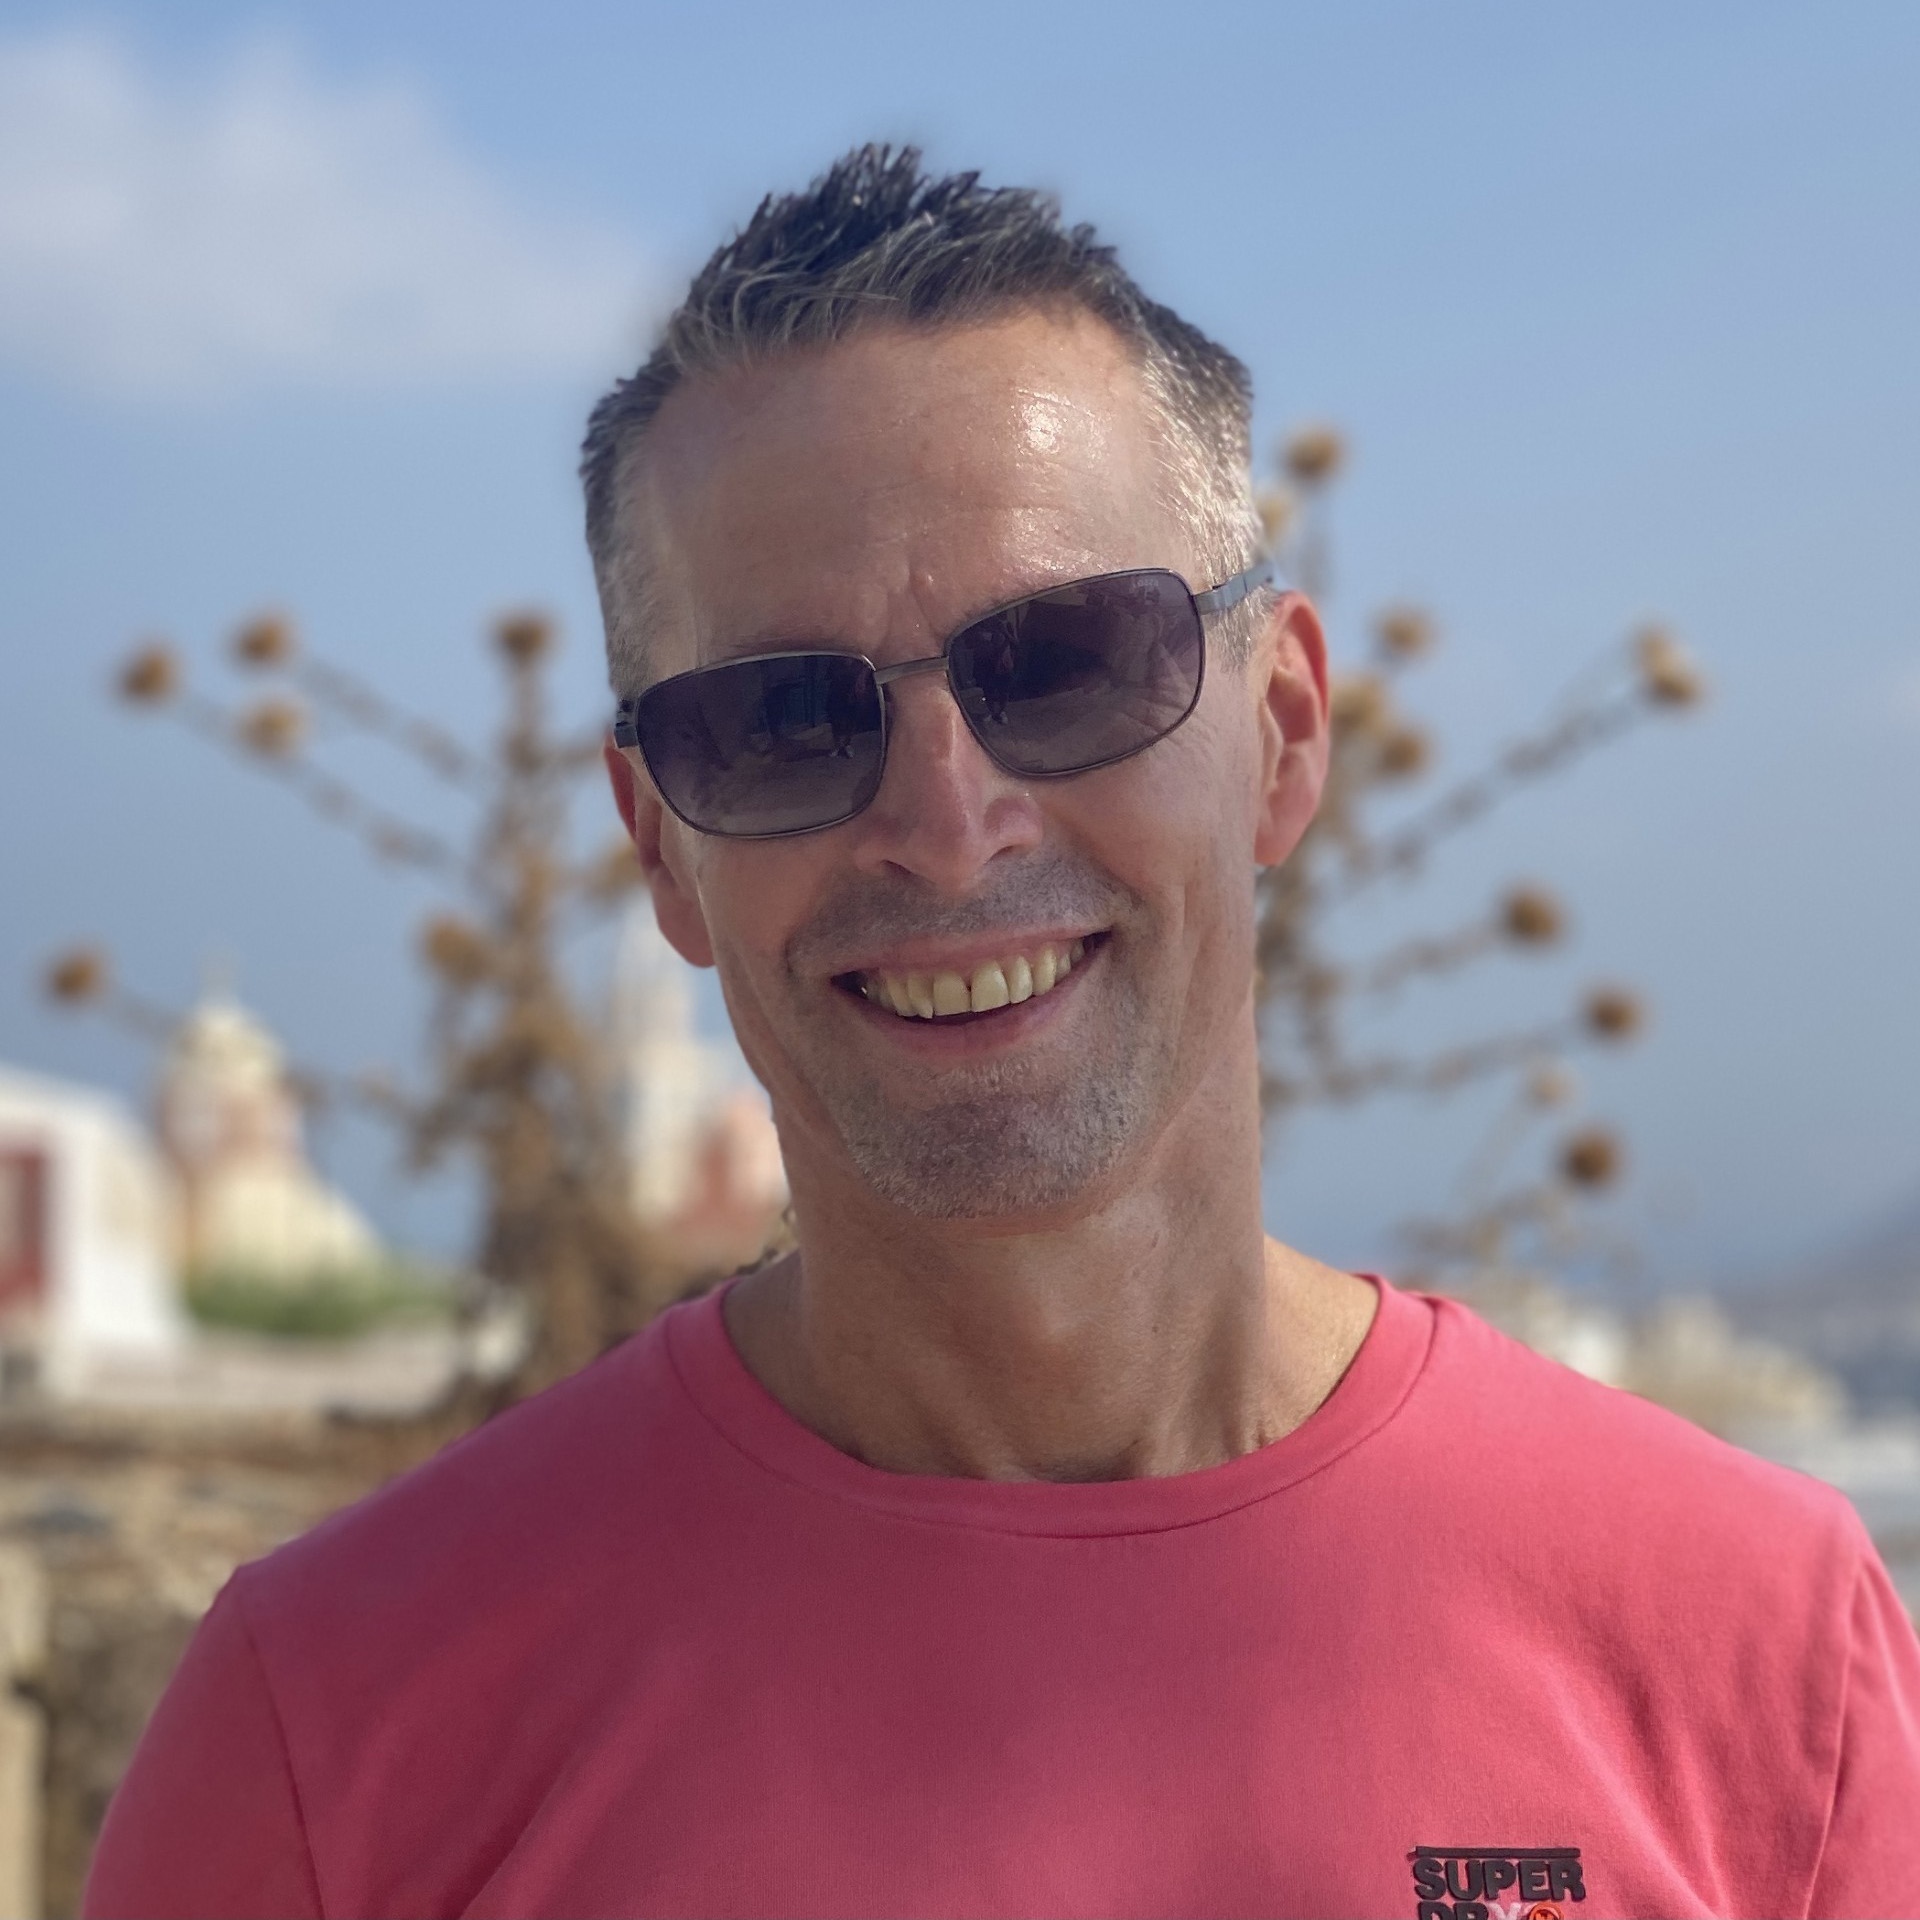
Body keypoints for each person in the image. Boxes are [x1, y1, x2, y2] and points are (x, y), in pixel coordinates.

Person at [87, 146, 1920, 1920]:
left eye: (1063, 663)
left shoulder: (1764, 1661)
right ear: (658, 846)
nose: (949, 825)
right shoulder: (332, 1740)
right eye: (784, 722)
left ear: (1283, 730)